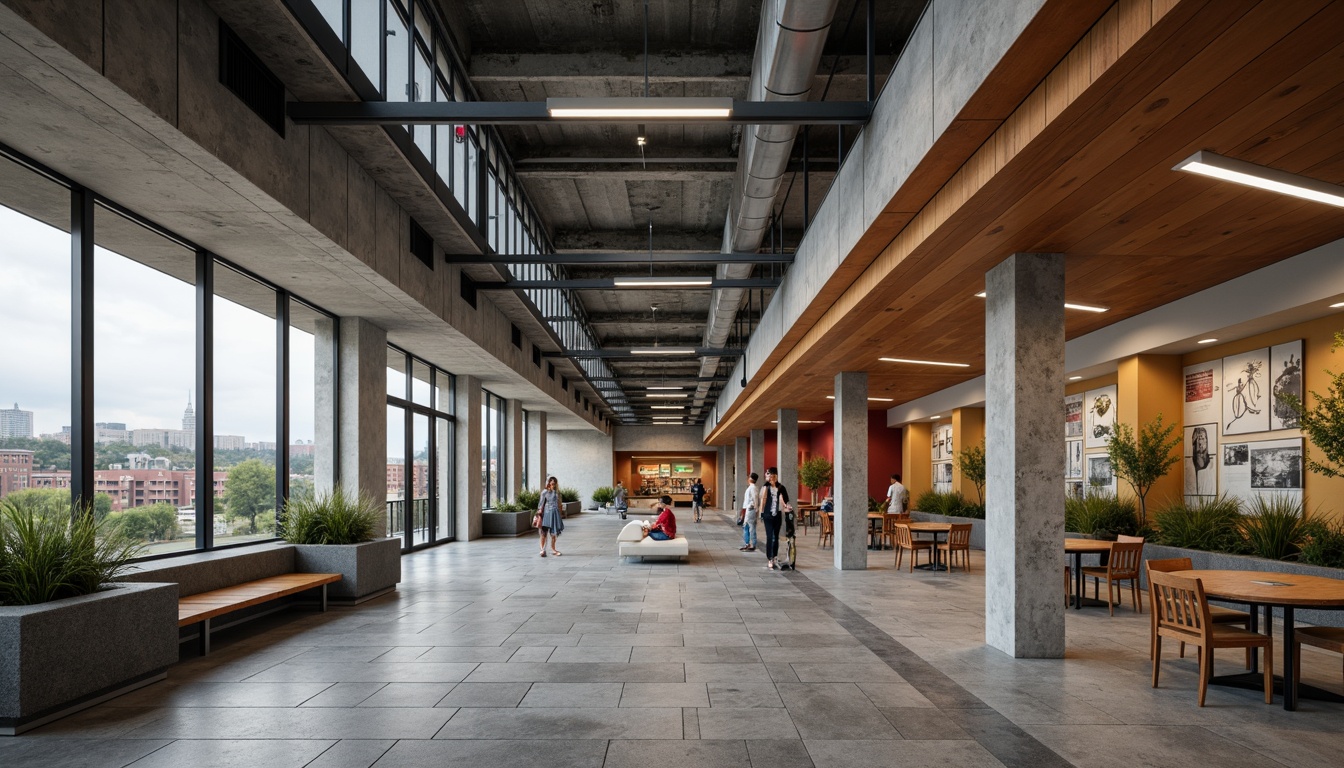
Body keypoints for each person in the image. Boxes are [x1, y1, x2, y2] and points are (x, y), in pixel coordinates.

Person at [760, 467, 792, 570]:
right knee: (770, 536)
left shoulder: (781, 487)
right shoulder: (766, 487)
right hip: (767, 515)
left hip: (777, 515)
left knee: (776, 537)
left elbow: (786, 500)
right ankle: (770, 558)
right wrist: (761, 513)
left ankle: (774, 556)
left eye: (772, 475)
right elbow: (763, 501)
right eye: (769, 475)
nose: (771, 477)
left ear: (776, 476)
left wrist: (788, 506)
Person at [537, 476, 564, 557]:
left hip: (555, 513)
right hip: (547, 513)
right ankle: (542, 549)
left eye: (554, 484)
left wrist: (560, 513)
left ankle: (553, 549)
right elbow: (540, 503)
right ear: (548, 483)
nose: (553, 485)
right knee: (544, 533)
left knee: (553, 533)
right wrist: (539, 512)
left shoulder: (556, 492)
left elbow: (559, 503)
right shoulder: (545, 492)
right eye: (552, 483)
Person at [739, 472, 759, 552]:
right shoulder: (750, 487)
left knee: (751, 527)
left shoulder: (753, 488)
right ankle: (748, 543)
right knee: (746, 526)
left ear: (751, 478)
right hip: (748, 509)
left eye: (749, 477)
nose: (748, 478)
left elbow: (755, 499)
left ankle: (753, 544)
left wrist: (756, 509)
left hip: (751, 509)